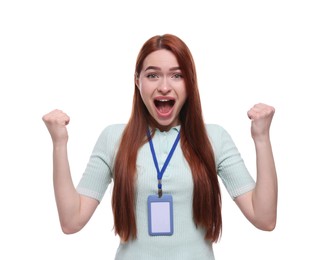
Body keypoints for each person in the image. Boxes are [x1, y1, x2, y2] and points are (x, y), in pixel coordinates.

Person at [42, 34, 277, 260]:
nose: (164, 87)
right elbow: (72, 221)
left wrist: (262, 139)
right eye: (153, 76)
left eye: (177, 76)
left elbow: (264, 218)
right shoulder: (114, 138)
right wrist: (59, 143)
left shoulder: (213, 138)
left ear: (190, 82)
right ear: (137, 81)